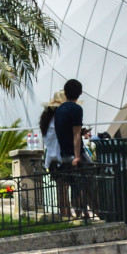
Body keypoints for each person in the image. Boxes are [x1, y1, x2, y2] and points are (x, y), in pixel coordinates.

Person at [53, 79, 85, 216]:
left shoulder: (59, 110)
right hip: (74, 153)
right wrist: (77, 156)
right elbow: (76, 134)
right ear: (80, 93)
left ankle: (67, 214)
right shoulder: (77, 109)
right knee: (82, 184)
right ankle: (82, 213)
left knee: (66, 183)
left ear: (65, 93)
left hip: (63, 152)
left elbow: (62, 130)